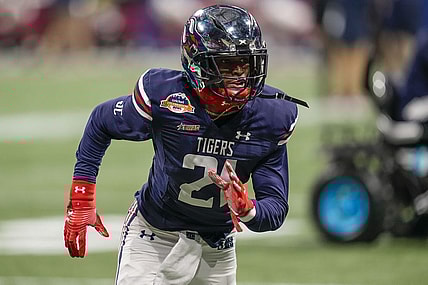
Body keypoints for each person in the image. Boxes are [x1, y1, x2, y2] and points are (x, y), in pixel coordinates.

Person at [63, 4, 301, 285]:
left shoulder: (272, 116)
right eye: (225, 65)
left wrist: (248, 209)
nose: (239, 78)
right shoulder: (167, 98)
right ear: (197, 64)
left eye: (245, 64)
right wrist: (81, 199)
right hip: (155, 236)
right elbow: (101, 121)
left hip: (217, 249)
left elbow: (274, 210)